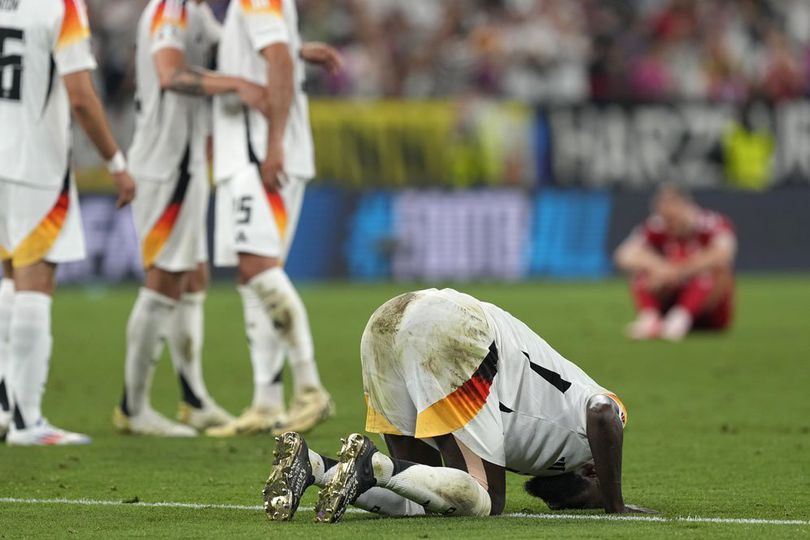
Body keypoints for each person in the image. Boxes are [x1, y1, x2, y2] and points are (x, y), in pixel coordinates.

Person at [261, 288, 654, 521]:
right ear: (592, 471)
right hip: (458, 328)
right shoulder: (585, 435)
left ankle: (313, 467)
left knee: (417, 494)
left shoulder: (538, 448)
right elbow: (606, 412)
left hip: (386, 320)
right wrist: (615, 505)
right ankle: (371, 463)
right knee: (488, 502)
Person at [112, 0, 270, 437]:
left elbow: (237, 50)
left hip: (190, 162)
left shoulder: (196, 12)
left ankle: (193, 399)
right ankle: (133, 406)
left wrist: (292, 50)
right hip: (166, 165)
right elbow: (171, 74)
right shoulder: (171, 10)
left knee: (195, 277)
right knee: (165, 278)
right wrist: (239, 83)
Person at [0, 0, 136, 445]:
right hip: (36, 164)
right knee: (34, 285)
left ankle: (5, 405)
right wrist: (115, 160)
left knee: (7, 279)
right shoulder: (62, 7)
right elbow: (80, 95)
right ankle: (26, 419)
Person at [206, 0, 342, 437]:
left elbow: (277, 59)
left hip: (259, 152)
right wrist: (301, 52)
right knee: (251, 279)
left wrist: (275, 145)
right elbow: (274, 52)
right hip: (243, 153)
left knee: (259, 271)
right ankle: (266, 401)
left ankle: (309, 387)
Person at [614, 184, 736, 341]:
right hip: (670, 296)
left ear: (686, 206)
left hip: (710, 312)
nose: (668, 219)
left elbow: (723, 255)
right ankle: (651, 319)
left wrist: (678, 271)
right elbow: (624, 255)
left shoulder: (711, 223)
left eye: (672, 211)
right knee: (643, 272)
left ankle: (680, 318)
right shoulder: (656, 226)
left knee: (713, 272)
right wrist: (659, 267)